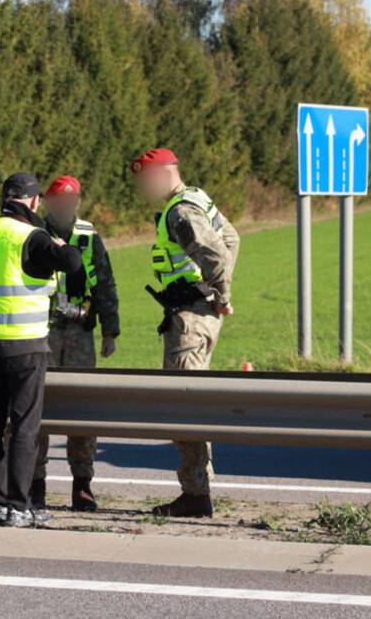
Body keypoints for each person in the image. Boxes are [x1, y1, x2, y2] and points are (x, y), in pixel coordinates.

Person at [0, 172, 83, 528]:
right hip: (25, 346)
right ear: (33, 201)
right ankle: (20, 505)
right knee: (23, 427)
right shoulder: (32, 237)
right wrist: (62, 247)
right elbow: (73, 263)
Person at [130, 148, 240, 518]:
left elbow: (217, 256)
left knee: (183, 404)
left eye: (145, 179)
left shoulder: (180, 211)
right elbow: (233, 239)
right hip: (197, 314)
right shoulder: (197, 198)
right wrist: (217, 297)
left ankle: (196, 495)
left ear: (163, 174)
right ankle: (198, 490)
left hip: (189, 319)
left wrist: (220, 295)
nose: (142, 187)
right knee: (189, 402)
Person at [29, 175, 119, 512]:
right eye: (58, 200)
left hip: (81, 332)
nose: (65, 206)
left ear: (77, 202)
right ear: (48, 202)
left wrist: (110, 331)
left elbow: (106, 284)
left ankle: (83, 485)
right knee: (37, 410)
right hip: (43, 332)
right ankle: (35, 485)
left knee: (82, 412)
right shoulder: (34, 234)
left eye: (71, 200)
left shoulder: (88, 236)